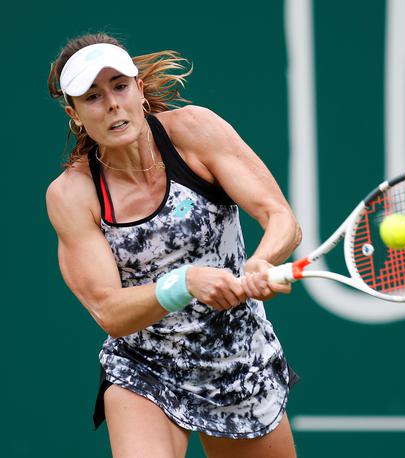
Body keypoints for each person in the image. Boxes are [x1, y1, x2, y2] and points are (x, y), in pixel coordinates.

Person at [46, 33, 302, 458]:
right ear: (75, 115)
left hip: (237, 360)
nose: (111, 104)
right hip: (145, 368)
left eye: (120, 86)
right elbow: (109, 310)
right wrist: (183, 282)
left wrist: (260, 261)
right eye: (92, 97)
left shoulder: (195, 131)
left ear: (140, 90)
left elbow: (280, 218)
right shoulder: (72, 194)